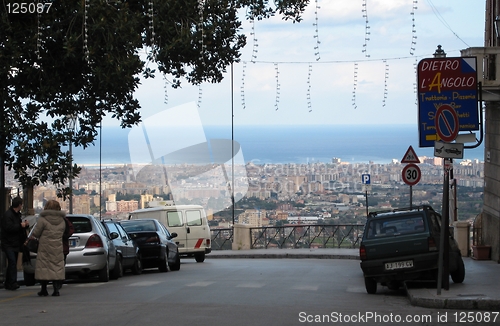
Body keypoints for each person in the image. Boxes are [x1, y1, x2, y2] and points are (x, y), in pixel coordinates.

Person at [29, 200, 66, 296]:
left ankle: (44, 289)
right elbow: (63, 232)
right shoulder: (62, 220)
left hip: (45, 246)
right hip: (57, 246)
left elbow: (36, 233)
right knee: (56, 266)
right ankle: (56, 290)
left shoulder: (43, 219)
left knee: (44, 267)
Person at [1, 197, 28, 290]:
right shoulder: (8, 215)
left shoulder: (17, 215)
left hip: (15, 242)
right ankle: (12, 282)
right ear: (19, 205)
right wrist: (20, 226)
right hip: (8, 243)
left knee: (13, 263)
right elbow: (9, 228)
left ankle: (9, 282)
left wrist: (24, 226)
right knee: (12, 262)